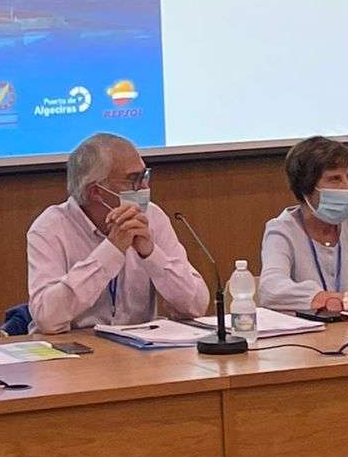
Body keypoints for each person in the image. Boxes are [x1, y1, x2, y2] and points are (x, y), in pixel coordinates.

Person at [26, 133, 211, 332]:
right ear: (96, 191)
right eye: (134, 179)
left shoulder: (152, 216)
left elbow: (196, 306)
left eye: (145, 176)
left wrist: (151, 254)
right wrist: (110, 251)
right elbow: (47, 318)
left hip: (138, 345)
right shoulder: (50, 227)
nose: (145, 187)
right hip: (74, 346)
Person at [259, 136, 348, 313]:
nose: (347, 187)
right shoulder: (282, 229)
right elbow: (270, 290)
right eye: (335, 179)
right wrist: (342, 299)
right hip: (307, 330)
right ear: (306, 187)